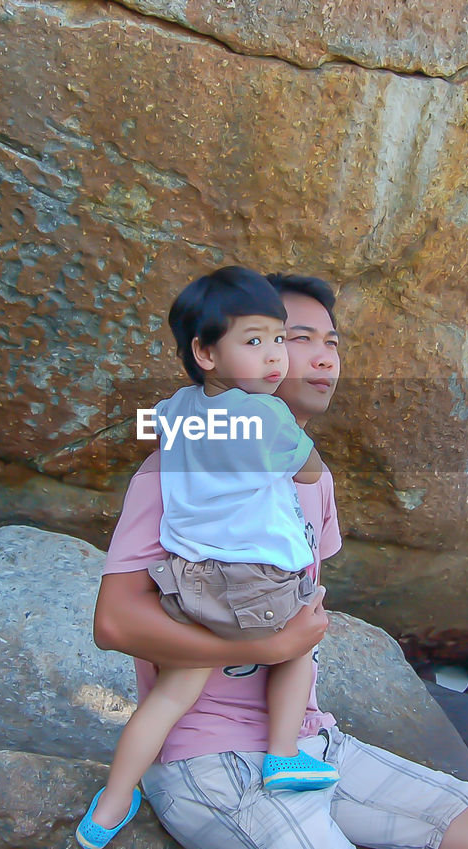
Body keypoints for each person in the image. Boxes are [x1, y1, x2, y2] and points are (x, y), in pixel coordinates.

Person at [93, 271, 468, 849]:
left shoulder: (314, 483)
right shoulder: (174, 471)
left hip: (307, 744)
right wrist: (261, 649)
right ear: (215, 354)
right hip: (210, 755)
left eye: (332, 343)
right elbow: (114, 622)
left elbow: (302, 603)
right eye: (295, 339)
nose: (322, 359)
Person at [77, 267, 339, 849]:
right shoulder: (268, 417)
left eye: (278, 339)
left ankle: (111, 805)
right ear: (205, 351)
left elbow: (156, 431)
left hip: (185, 582)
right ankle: (283, 753)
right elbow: (309, 470)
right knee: (304, 630)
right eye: (256, 341)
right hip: (254, 583)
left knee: (172, 694)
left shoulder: (175, 409)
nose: (275, 358)